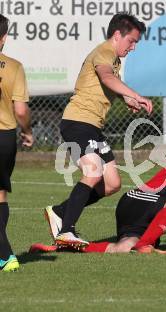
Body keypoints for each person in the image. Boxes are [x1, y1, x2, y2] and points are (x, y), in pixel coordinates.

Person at [45, 122, 166, 253]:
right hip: (135, 200)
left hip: (144, 222)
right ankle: (146, 243)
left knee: (124, 248)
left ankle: (68, 248)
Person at [45, 13, 153, 248]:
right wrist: (135, 94)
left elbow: (108, 83)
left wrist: (127, 100)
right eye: (131, 41)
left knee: (112, 183)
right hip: (78, 122)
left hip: (93, 126)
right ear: (117, 35)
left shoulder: (115, 59)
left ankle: (60, 211)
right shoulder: (104, 52)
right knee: (93, 172)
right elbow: (105, 77)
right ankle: (66, 230)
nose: (133, 47)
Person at [0, 14, 33, 272]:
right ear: (4, 37)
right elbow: (20, 110)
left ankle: (6, 255)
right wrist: (28, 131)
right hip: (5, 137)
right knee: (0, 193)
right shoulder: (14, 66)